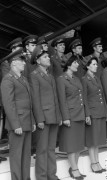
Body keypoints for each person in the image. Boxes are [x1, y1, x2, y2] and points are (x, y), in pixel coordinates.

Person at [1, 48, 35, 180]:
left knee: (26, 155)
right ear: (14, 63)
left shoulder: (23, 79)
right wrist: (16, 125)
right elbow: (9, 104)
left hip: (26, 121)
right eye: (22, 61)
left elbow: (29, 103)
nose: (24, 64)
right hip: (18, 124)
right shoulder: (8, 79)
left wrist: (32, 121)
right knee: (16, 156)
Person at [30, 45, 62, 180]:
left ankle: (52, 175)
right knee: (42, 150)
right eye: (45, 57)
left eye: (48, 56)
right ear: (38, 60)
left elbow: (55, 98)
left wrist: (59, 115)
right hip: (44, 117)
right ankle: (42, 177)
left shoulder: (49, 75)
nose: (48, 58)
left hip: (53, 116)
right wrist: (39, 119)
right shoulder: (34, 76)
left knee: (51, 149)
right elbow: (35, 100)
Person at [56, 55, 86, 180]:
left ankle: (75, 167)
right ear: (69, 65)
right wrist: (65, 117)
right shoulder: (61, 79)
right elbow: (61, 100)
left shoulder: (77, 79)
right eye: (75, 63)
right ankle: (74, 169)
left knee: (79, 144)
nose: (77, 65)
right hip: (71, 115)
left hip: (80, 114)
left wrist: (86, 114)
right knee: (71, 144)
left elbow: (82, 97)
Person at [82, 57, 107, 173]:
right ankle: (93, 162)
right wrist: (87, 114)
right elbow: (85, 99)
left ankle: (97, 161)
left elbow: (102, 95)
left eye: (96, 64)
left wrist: (105, 111)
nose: (96, 66)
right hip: (92, 112)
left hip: (100, 111)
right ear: (87, 66)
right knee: (92, 140)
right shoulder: (85, 79)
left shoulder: (96, 78)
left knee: (97, 139)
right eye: (93, 64)